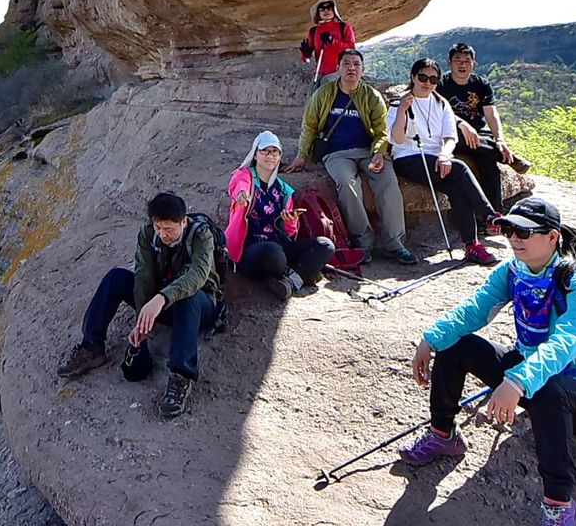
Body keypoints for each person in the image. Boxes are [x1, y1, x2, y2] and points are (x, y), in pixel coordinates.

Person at [400, 197, 576, 526]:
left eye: (524, 231)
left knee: (551, 391)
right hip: (532, 376)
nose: (513, 238)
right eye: (508, 229)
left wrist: (516, 383)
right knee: (457, 344)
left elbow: (561, 347)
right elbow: (475, 310)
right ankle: (443, 435)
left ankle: (560, 506)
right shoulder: (514, 272)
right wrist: (432, 338)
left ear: (553, 237)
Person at [56, 191, 222, 418]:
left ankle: (181, 375)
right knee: (116, 278)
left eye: (169, 230)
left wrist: (161, 298)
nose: (163, 235)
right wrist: (143, 318)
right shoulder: (148, 234)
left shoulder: (201, 236)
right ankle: (92, 347)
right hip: (159, 301)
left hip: (198, 305)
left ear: (183, 222)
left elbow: (197, 276)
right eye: (159, 228)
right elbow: (143, 275)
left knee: (188, 297)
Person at [288, 50, 416, 265]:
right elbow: (309, 125)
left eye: (356, 64)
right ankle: (363, 241)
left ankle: (395, 243)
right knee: (347, 183)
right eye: (346, 63)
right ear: (338, 68)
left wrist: (378, 152)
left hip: (367, 152)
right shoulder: (324, 94)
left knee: (388, 181)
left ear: (363, 69)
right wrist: (301, 156)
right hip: (336, 153)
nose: (351, 68)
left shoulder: (371, 96)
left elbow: (381, 131)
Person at [387, 57, 497, 266]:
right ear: (413, 77)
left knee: (456, 189)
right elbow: (397, 140)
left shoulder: (441, 103)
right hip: (408, 158)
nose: (427, 83)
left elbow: (450, 137)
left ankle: (471, 245)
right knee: (460, 168)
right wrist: (402, 109)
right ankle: (490, 216)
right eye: (422, 77)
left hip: (436, 158)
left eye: (433, 79)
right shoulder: (399, 102)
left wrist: (445, 155)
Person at [227, 131, 335, 299]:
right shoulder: (245, 175)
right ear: (255, 154)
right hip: (250, 249)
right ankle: (298, 273)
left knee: (325, 245)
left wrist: (290, 221)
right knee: (273, 252)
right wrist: (241, 196)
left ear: (279, 157)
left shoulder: (283, 190)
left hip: (278, 245)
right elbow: (238, 186)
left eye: (275, 152)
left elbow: (290, 234)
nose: (270, 156)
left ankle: (290, 282)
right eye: (265, 151)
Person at [439, 42, 513, 224]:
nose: (462, 65)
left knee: (489, 166)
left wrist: (500, 139)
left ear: (473, 64)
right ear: (449, 63)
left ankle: (494, 217)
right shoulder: (441, 84)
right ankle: (496, 151)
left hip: (479, 135)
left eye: (467, 60)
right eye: (458, 60)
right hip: (451, 133)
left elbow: (491, 113)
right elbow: (439, 112)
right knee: (490, 152)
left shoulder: (481, 85)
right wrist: (462, 125)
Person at [298, 0, 357, 85]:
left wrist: (332, 41)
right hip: (321, 72)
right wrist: (305, 54)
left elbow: (351, 49)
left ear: (334, 10)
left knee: (327, 82)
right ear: (318, 13)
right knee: (313, 94)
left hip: (340, 71)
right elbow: (307, 59)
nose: (326, 11)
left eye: (329, 8)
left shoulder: (344, 27)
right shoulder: (314, 31)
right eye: (322, 9)